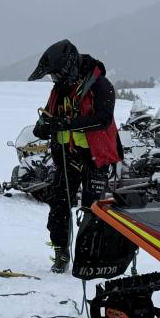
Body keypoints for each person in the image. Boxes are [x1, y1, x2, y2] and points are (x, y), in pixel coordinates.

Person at [28, 39, 120, 273]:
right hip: (68, 159)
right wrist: (43, 126)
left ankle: (89, 256)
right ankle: (61, 253)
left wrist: (66, 123)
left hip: (96, 159)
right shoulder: (59, 89)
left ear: (68, 67)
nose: (54, 79)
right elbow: (48, 116)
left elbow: (103, 118)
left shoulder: (100, 85)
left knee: (92, 211)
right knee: (58, 205)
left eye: (56, 74)